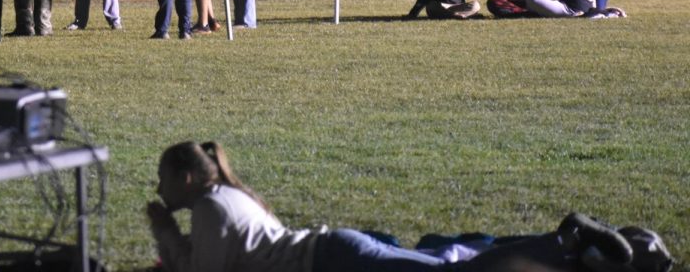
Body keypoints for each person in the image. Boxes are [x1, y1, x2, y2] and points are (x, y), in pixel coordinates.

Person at [146, 140, 674, 272]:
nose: (158, 186)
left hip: (336, 260)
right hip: (337, 251)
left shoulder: (212, 206)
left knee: (453, 267)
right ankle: (564, 246)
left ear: (187, 177)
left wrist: (163, 232)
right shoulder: (228, 196)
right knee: (453, 260)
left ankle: (568, 242)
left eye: (163, 179)